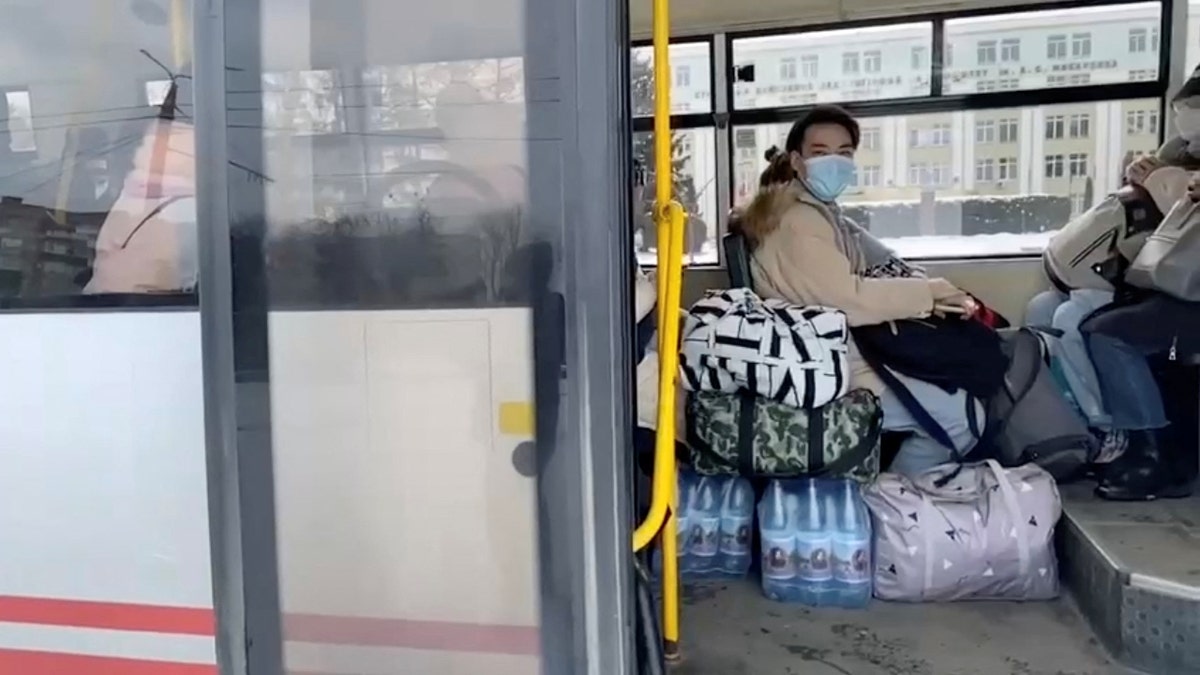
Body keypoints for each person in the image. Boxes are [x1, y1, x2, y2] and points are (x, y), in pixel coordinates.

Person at [732, 105, 984, 477]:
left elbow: (877, 260)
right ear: (798, 162)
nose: (834, 162)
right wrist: (928, 293)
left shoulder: (822, 211)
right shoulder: (797, 221)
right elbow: (845, 298)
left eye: (844, 153)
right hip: (824, 360)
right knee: (963, 418)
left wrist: (921, 286)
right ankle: (894, 510)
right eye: (820, 153)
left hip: (840, 346)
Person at [1026, 70, 1200, 475]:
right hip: (1167, 277)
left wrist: (1162, 180)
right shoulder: (1178, 152)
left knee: (1096, 328)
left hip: (1188, 291)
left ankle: (1141, 447)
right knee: (1042, 308)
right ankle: (1081, 426)